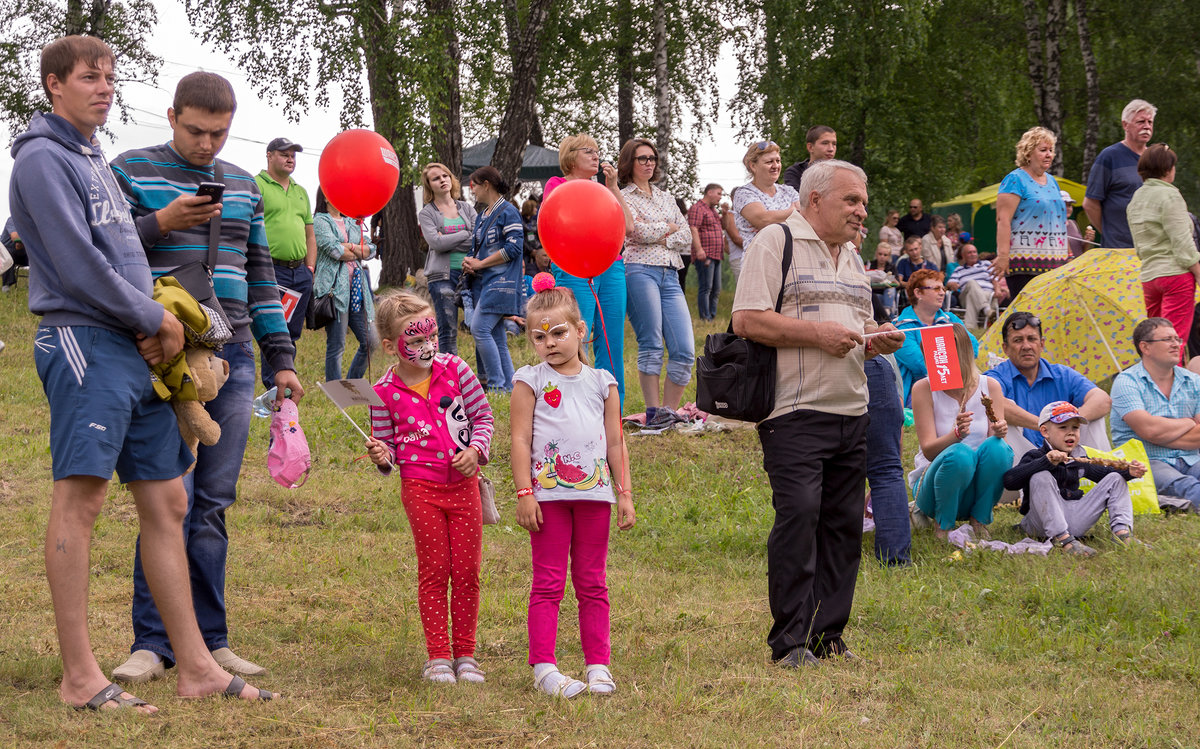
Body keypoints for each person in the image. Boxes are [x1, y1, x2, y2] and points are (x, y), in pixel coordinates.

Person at [12, 35, 275, 711]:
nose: (103, 87)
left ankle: (195, 664)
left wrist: (160, 323)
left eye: (109, 77)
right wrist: (153, 316)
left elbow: (124, 248)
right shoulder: (42, 160)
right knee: (84, 498)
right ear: (52, 84)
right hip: (84, 341)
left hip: (140, 348)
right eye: (88, 78)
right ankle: (79, 676)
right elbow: (73, 263)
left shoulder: (91, 156)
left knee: (170, 501)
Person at [107, 71, 303, 685]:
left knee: (213, 503)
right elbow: (102, 253)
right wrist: (161, 222)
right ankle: (153, 642)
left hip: (236, 354)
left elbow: (263, 276)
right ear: (171, 116)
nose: (206, 143)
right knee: (168, 501)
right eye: (195, 130)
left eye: (219, 132)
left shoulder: (245, 185)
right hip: (163, 357)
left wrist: (283, 358)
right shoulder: (128, 168)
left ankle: (212, 642)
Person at [732, 159, 905, 667]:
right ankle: (788, 642)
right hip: (793, 410)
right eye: (851, 200)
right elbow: (746, 319)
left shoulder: (852, 255)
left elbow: (855, 323)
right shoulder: (775, 241)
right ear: (815, 200)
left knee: (843, 526)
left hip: (853, 408)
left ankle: (828, 636)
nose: (861, 211)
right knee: (800, 518)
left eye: (864, 202)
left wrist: (877, 340)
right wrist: (819, 336)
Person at [510, 280, 635, 697]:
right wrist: (524, 492)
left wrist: (625, 495)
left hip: (595, 496)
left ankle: (598, 665)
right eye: (539, 336)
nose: (549, 343)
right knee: (548, 582)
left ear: (582, 330)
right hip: (548, 499)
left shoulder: (603, 382)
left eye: (559, 333)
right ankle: (544, 668)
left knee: (592, 582)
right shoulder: (529, 380)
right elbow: (519, 439)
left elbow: (615, 441)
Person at [365, 290, 495, 684]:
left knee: (467, 570)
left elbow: (483, 417)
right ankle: (438, 656)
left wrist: (476, 450)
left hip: (464, 487)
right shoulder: (383, 392)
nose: (427, 346)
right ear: (390, 346)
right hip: (420, 490)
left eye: (431, 336)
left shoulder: (456, 370)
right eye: (415, 340)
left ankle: (466, 654)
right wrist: (381, 455)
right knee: (436, 570)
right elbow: (386, 446)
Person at [543, 133, 634, 408]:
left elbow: (628, 227)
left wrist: (614, 186)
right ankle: (574, 403)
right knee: (573, 336)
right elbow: (551, 224)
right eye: (588, 151)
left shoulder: (604, 190)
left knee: (610, 339)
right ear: (570, 157)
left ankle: (611, 406)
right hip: (572, 266)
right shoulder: (557, 185)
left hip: (610, 267)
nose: (596, 156)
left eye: (597, 151)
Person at [910, 324, 1013, 539]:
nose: (938, 363)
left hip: (974, 487)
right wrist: (955, 436)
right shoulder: (924, 388)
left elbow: (993, 447)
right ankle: (943, 526)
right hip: (933, 488)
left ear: (964, 353)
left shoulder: (990, 386)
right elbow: (928, 451)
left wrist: (999, 431)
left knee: (1000, 448)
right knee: (959, 453)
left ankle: (980, 520)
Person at [619, 138, 695, 428]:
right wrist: (668, 230)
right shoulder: (623, 196)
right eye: (642, 158)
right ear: (630, 163)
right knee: (651, 344)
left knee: (685, 349)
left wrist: (662, 233)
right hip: (640, 271)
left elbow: (685, 235)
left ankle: (669, 413)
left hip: (671, 273)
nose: (649, 163)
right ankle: (654, 413)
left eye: (652, 158)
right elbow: (634, 232)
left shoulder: (666, 197)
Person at [1004, 401, 1145, 557]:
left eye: (1075, 428)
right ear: (1045, 431)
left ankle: (1122, 534)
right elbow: (1010, 480)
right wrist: (1046, 462)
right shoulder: (1035, 456)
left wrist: (1129, 472)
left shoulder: (1079, 458)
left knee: (1115, 478)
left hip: (1075, 517)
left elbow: (1105, 473)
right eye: (1063, 427)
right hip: (1040, 523)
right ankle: (1063, 541)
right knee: (1041, 476)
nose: (1070, 433)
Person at [984, 311, 1111, 448]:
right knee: (1000, 416)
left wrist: (1069, 421)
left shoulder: (1061, 374)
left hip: (1064, 451)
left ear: (1042, 344)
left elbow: (1102, 399)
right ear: (1006, 348)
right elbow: (993, 403)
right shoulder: (996, 377)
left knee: (1094, 418)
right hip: (1020, 457)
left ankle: (1099, 468)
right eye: (1018, 340)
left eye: (1032, 339)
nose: (1027, 346)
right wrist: (1045, 425)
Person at [1111, 317, 1200, 510]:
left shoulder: (1193, 381)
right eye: (1168, 340)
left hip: (1192, 458)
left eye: (1177, 339)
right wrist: (1188, 422)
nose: (1176, 344)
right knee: (1187, 488)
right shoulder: (1126, 382)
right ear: (1145, 347)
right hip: (1146, 462)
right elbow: (1149, 430)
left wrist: (1159, 434)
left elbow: (1153, 433)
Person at [1128, 144, 1199, 362]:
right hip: (1176, 275)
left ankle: (1157, 390)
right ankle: (1172, 394)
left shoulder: (1135, 200)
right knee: (1172, 343)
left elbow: (1140, 246)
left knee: (1156, 342)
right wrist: (1198, 271)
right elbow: (1183, 243)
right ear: (1168, 169)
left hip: (1150, 277)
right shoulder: (1170, 195)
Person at [255, 136, 316, 388]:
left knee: (291, 333)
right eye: (284, 153)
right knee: (273, 329)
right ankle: (273, 386)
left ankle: (287, 378)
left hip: (300, 273)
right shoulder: (256, 184)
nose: (290, 158)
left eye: (293, 154)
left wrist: (310, 269)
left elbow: (309, 234)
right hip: (272, 270)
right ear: (269, 155)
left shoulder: (301, 191)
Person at [462, 166, 524, 391]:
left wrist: (481, 263)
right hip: (484, 282)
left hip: (502, 283)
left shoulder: (508, 211)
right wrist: (471, 262)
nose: (473, 191)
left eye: (474, 186)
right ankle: (510, 386)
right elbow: (479, 250)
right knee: (497, 336)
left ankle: (497, 386)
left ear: (486, 184)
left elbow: (514, 248)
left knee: (479, 328)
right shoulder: (482, 215)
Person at [993, 126, 1069, 299]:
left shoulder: (1052, 182)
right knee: (1027, 319)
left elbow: (1059, 222)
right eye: (1043, 150)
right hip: (1024, 263)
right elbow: (1003, 220)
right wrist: (1003, 256)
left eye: (1051, 150)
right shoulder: (1015, 179)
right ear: (1028, 154)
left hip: (1055, 263)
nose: (1049, 154)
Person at [314, 187, 376, 381]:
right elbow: (334, 250)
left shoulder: (352, 221)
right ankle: (335, 390)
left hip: (358, 292)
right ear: (325, 196)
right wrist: (357, 249)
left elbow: (371, 250)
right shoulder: (320, 221)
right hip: (334, 292)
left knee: (371, 341)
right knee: (337, 345)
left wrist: (349, 247)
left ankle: (352, 383)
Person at [418, 162, 477, 357]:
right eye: (436, 178)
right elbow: (436, 244)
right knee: (448, 331)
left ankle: (484, 379)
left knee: (478, 327)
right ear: (429, 186)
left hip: (470, 273)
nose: (442, 180)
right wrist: (464, 233)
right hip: (441, 276)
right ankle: (450, 379)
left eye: (445, 176)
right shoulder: (427, 213)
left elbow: (478, 238)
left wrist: (447, 238)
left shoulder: (466, 208)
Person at [894, 269, 978, 406]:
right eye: (936, 288)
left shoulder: (950, 318)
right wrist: (956, 359)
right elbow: (921, 365)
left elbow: (973, 348)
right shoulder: (901, 327)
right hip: (916, 393)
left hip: (957, 385)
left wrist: (945, 362)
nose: (942, 292)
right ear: (918, 293)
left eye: (943, 288)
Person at [1084, 99, 1156, 249]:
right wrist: (1110, 233)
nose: (1147, 127)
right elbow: (1090, 204)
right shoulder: (1109, 157)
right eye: (1141, 122)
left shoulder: (1155, 158)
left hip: (1152, 249)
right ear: (1125, 125)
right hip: (1119, 250)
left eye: (1150, 122)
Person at [732, 140, 801, 252]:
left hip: (791, 260)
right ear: (753, 166)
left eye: (778, 161)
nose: (775, 166)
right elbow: (763, 220)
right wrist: (793, 212)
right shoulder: (743, 193)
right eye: (769, 162)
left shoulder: (789, 191)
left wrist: (774, 222)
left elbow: (807, 218)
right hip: (759, 260)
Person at [688, 183, 725, 322]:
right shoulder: (697, 208)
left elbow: (724, 226)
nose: (720, 197)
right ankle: (705, 318)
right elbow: (694, 228)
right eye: (719, 194)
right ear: (709, 192)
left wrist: (725, 214)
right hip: (705, 254)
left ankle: (712, 316)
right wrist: (699, 249)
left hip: (716, 254)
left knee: (716, 288)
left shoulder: (713, 210)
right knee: (706, 287)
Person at [946, 243, 1006, 328]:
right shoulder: (959, 270)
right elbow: (950, 283)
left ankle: (970, 327)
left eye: (974, 252)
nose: (972, 254)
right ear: (963, 255)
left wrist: (998, 290)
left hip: (987, 295)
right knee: (971, 283)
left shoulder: (986, 264)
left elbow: (995, 280)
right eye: (969, 252)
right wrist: (952, 284)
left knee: (972, 296)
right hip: (965, 297)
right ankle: (986, 309)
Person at [782, 125, 837, 191]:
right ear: (810, 147)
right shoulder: (795, 172)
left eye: (834, 144)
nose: (831, 149)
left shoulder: (842, 172)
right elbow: (796, 198)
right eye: (825, 143)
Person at [1062, 191, 1096, 257]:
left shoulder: (1073, 223)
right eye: (1064, 205)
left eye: (1069, 205)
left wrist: (1087, 241)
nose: (1068, 208)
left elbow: (1080, 251)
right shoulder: (1051, 226)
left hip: (1076, 265)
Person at [722, 189, 745, 281]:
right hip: (739, 259)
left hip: (749, 257)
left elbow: (725, 243)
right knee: (745, 290)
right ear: (732, 198)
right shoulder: (730, 215)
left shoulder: (746, 215)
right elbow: (736, 239)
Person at [2, 217, 26, 291]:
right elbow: (15, 237)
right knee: (9, 255)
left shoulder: (32, 223)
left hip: (22, 251)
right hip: (6, 252)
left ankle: (42, 286)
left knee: (39, 256)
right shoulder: (13, 219)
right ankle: (6, 286)